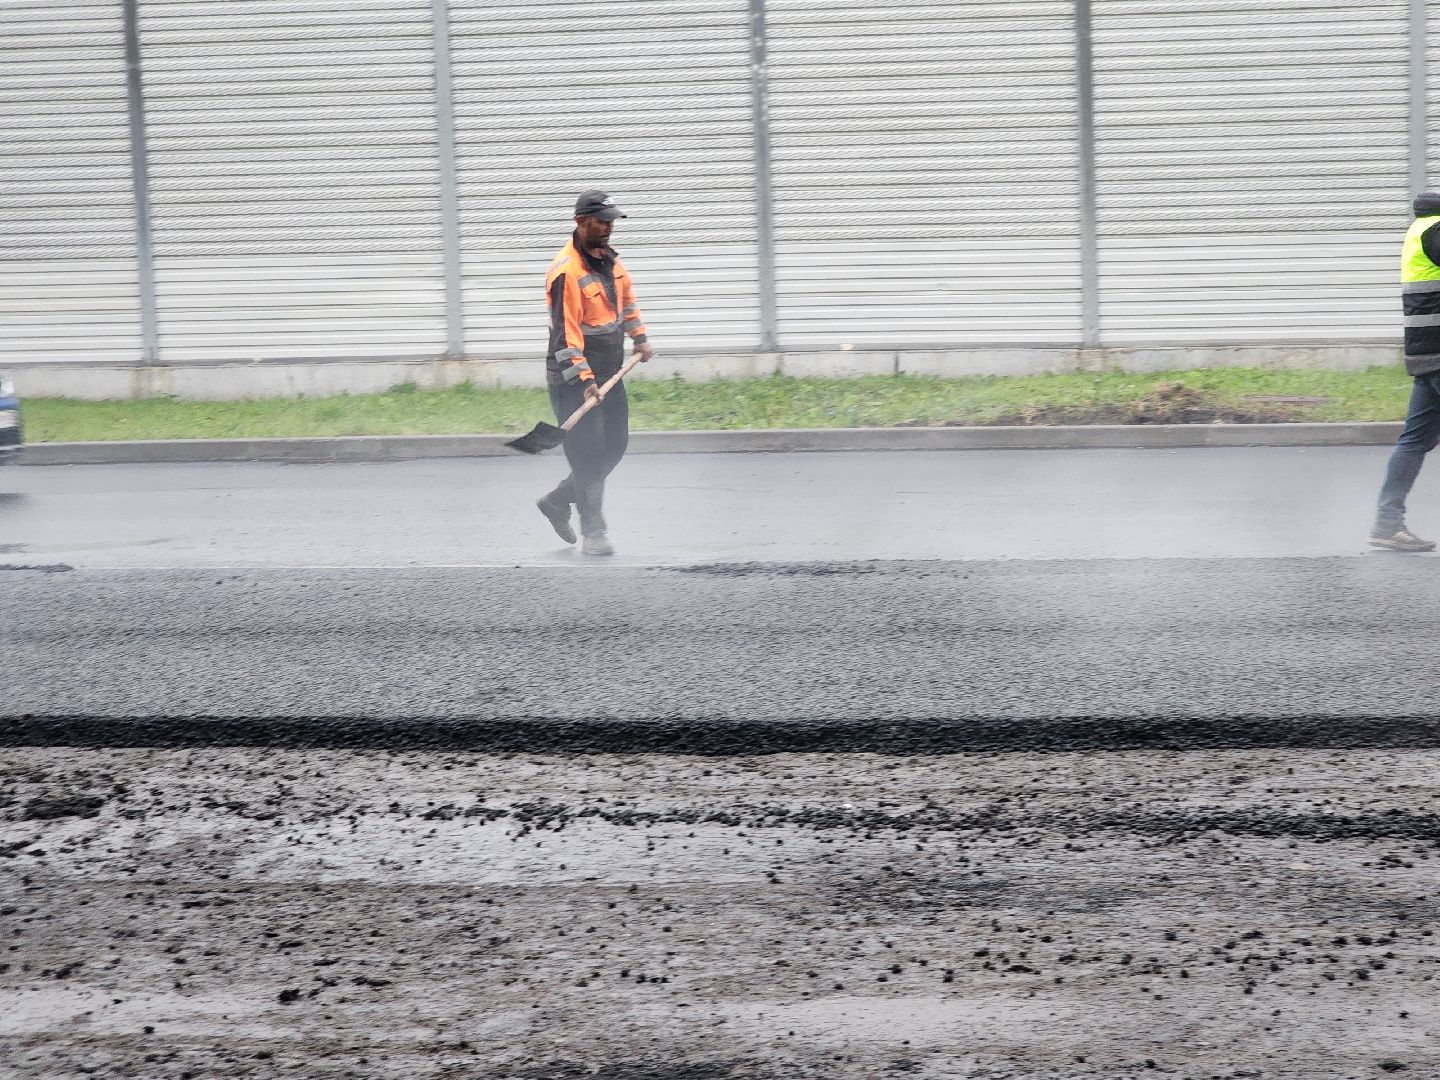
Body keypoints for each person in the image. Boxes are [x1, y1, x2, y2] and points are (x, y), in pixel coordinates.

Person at [535, 190, 653, 556]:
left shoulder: (612, 263)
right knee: (587, 457)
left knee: (614, 448)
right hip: (574, 380)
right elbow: (565, 334)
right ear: (581, 222)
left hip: (611, 373)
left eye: (611, 222)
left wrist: (640, 338)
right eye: (602, 222)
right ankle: (594, 532)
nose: (608, 228)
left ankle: (557, 499)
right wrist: (585, 381)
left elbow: (626, 304)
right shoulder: (566, 272)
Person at [1371, 191, 1440, 552]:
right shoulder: (1435, 232)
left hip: (1424, 353)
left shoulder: (1417, 231)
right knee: (1414, 442)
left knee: (1414, 442)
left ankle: (1386, 524)